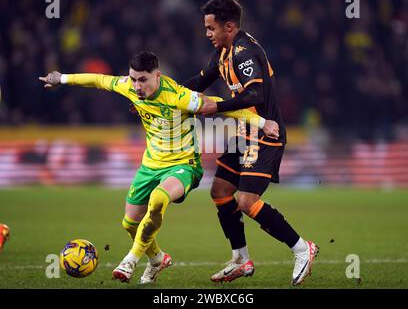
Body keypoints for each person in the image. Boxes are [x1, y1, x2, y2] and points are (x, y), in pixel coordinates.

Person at [39, 51, 279, 284]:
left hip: (184, 166)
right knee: (130, 223)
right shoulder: (129, 87)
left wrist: (262, 122)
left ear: (158, 76)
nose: (136, 86)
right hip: (150, 166)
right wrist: (61, 78)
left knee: (158, 198)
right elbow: (98, 80)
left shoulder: (179, 96)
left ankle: (130, 261)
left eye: (143, 80)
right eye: (133, 79)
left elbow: (224, 105)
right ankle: (156, 258)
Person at [183, 0, 319, 286]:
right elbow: (200, 80)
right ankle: (241, 259)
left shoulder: (244, 52)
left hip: (265, 134)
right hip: (244, 134)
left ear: (228, 27)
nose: (207, 34)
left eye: (211, 28)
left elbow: (254, 94)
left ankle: (301, 248)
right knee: (220, 190)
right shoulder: (223, 53)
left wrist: (216, 106)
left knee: (246, 201)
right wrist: (162, 95)